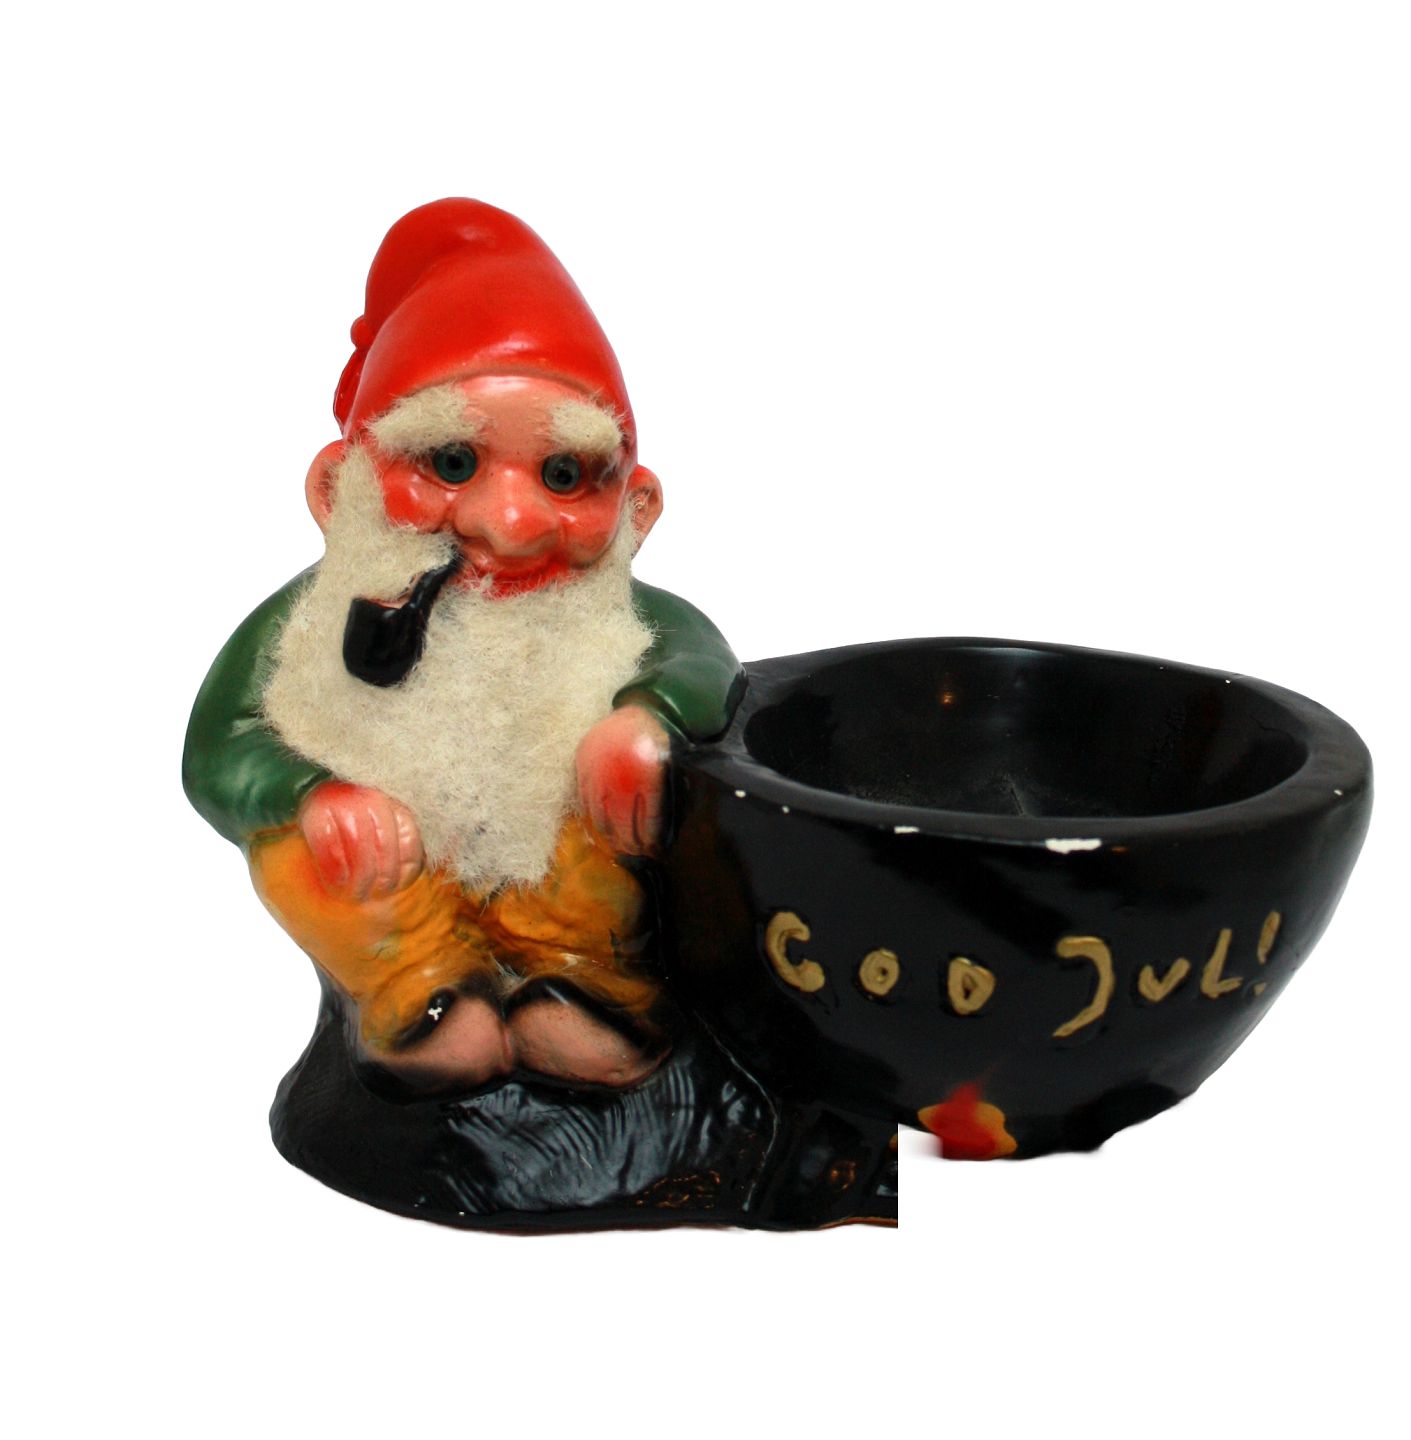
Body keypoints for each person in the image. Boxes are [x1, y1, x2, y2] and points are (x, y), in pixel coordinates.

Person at [184, 199, 742, 1095]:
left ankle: (585, 983)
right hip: (384, 876)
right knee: (302, 852)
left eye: (564, 476)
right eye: (449, 464)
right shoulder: (304, 630)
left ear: (636, 510)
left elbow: (704, 671)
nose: (509, 525)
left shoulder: (632, 621)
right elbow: (217, 753)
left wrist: (648, 720)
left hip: (564, 877)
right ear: (337, 487)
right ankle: (419, 996)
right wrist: (309, 795)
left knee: (632, 822)